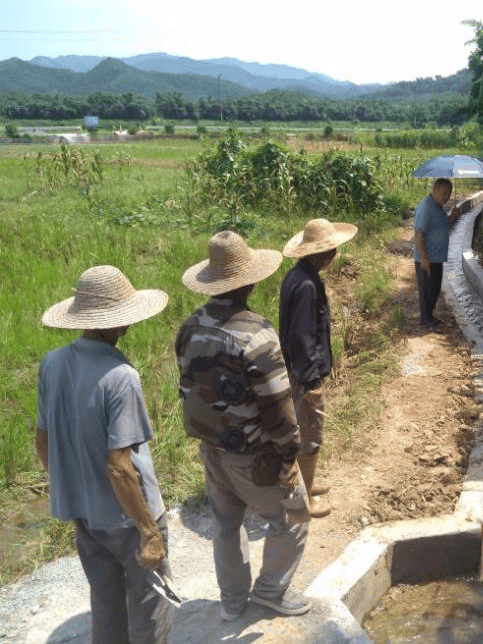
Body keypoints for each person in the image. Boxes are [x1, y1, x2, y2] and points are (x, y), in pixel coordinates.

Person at [175, 230, 310, 622]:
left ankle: (232, 602)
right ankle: (270, 591)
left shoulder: (190, 325)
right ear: (250, 281)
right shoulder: (256, 334)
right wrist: (289, 456)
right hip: (255, 455)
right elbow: (278, 405)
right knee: (293, 518)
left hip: (211, 448)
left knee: (226, 525)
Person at [36, 265, 173, 644]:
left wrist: (75, 492)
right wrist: (149, 531)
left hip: (86, 514)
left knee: (106, 602)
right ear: (120, 321)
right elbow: (120, 467)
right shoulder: (120, 376)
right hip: (130, 518)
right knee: (150, 606)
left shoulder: (52, 363)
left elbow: (42, 442)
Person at [279, 218, 358, 519]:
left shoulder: (297, 277)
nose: (334, 255)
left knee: (307, 431)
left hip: (296, 370)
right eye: (330, 250)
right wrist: (311, 381)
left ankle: (306, 484)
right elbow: (301, 337)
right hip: (303, 375)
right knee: (310, 437)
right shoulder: (308, 286)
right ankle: (305, 500)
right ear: (315, 253)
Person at [413, 177, 453, 330]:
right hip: (427, 258)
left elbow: (439, 226)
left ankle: (430, 316)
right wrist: (424, 258)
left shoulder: (437, 206)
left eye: (449, 194)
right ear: (434, 189)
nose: (446, 197)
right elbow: (419, 233)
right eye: (444, 193)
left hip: (437, 258)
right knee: (427, 290)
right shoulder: (426, 207)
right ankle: (426, 319)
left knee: (434, 289)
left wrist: (452, 218)